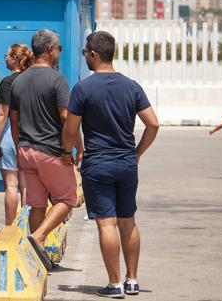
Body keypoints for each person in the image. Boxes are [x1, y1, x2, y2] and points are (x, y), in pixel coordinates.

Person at [63, 31, 159, 298]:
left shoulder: (83, 88)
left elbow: (71, 130)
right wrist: (137, 152)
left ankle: (114, 284)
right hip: (126, 162)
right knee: (128, 221)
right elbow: (153, 123)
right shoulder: (132, 86)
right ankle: (132, 280)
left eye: (85, 53)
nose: (85, 57)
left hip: (98, 164)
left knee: (107, 224)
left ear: (93, 54)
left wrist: (72, 151)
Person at [9, 29, 81, 271]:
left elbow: (14, 120)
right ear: (50, 50)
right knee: (67, 198)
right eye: (59, 48)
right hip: (50, 151)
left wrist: (20, 146)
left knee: (37, 204)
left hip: (26, 151)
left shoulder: (19, 80)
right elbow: (66, 118)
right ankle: (38, 237)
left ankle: (34, 257)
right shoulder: (57, 80)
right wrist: (74, 148)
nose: (60, 52)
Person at [0, 43, 34, 242]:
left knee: (11, 184)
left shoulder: (8, 82)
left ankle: (9, 230)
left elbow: (2, 114)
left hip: (9, 136)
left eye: (7, 55)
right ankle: (24, 229)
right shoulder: (31, 80)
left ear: (15, 58)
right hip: (29, 137)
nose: (4, 58)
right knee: (25, 185)